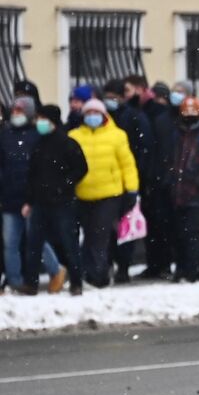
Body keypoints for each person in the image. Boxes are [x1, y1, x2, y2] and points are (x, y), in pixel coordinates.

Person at [71, 98, 139, 288]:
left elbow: (127, 164)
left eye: (96, 113)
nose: (93, 117)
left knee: (100, 235)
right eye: (89, 113)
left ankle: (99, 275)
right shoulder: (75, 136)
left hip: (109, 193)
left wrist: (131, 189)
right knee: (88, 235)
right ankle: (87, 272)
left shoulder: (117, 136)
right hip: (82, 193)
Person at [21, 104, 85, 295]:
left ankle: (76, 282)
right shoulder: (39, 144)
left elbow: (81, 168)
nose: (38, 122)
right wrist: (29, 201)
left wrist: (63, 185)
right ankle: (31, 283)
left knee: (69, 242)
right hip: (40, 202)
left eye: (42, 119)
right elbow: (32, 175)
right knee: (34, 243)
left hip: (62, 202)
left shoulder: (67, 143)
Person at [2, 96, 60, 293]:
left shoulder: (37, 135)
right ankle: (15, 281)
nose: (15, 113)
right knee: (10, 243)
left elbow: (41, 168)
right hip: (9, 197)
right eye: (14, 110)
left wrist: (36, 194)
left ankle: (56, 270)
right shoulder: (5, 135)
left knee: (36, 239)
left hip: (32, 197)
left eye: (20, 110)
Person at [167, 96, 199, 283]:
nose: (189, 115)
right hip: (178, 191)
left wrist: (197, 181)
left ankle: (191, 270)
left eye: (193, 111)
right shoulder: (177, 135)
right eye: (186, 111)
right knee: (179, 234)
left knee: (189, 233)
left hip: (196, 194)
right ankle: (191, 265)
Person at [107, 78, 153, 283]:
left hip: (127, 182)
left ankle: (122, 267)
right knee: (111, 229)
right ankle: (113, 265)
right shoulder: (113, 118)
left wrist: (136, 181)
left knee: (124, 228)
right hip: (111, 182)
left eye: (114, 96)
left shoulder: (132, 117)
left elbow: (139, 152)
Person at [136, 81, 179, 280]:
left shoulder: (167, 120)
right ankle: (158, 264)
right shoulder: (160, 120)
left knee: (164, 226)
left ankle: (163, 264)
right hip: (157, 180)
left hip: (165, 181)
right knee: (155, 225)